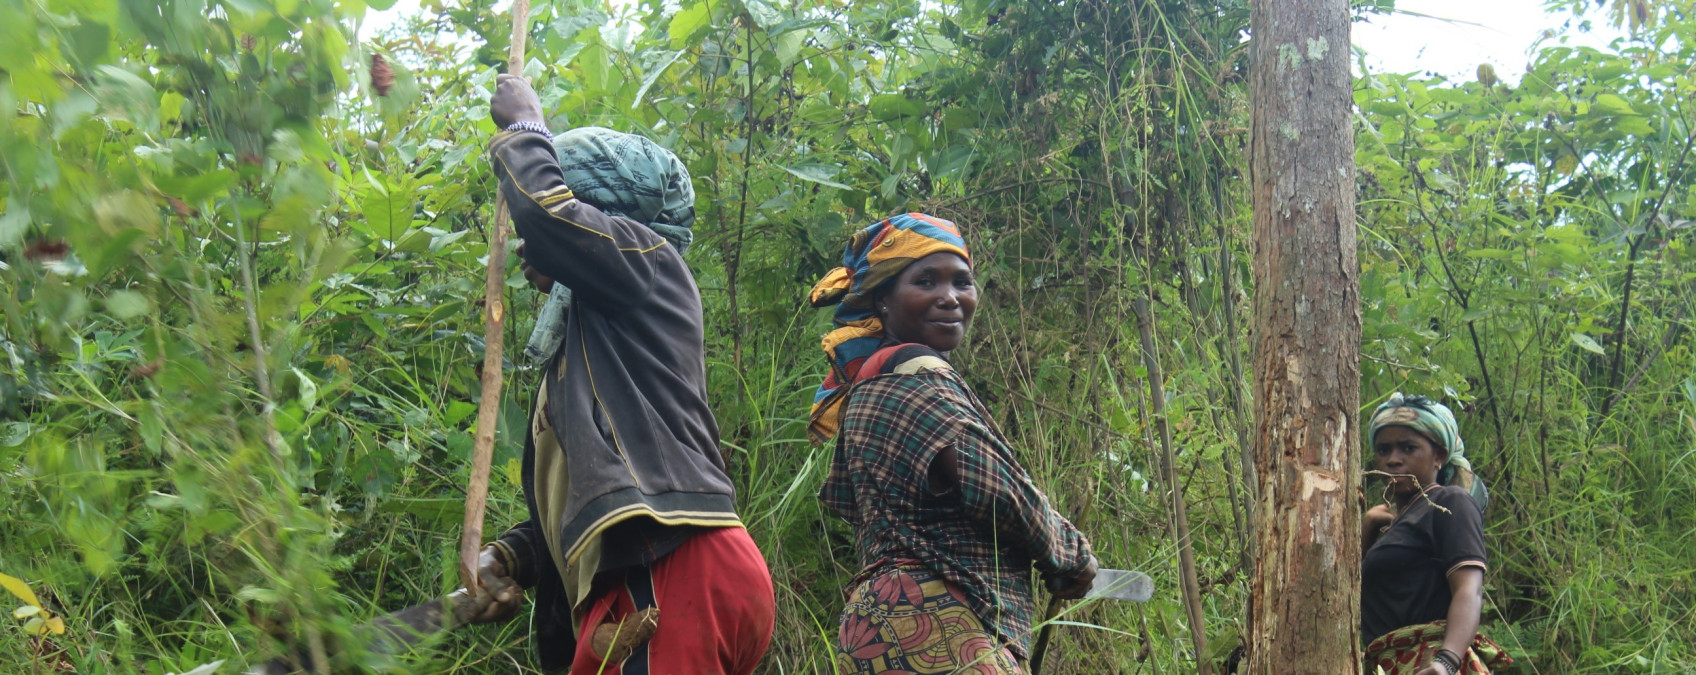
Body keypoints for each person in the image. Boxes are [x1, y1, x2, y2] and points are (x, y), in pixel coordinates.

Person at [469, 74, 776, 675]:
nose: (529, 252)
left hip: (670, 572)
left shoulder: (648, 261)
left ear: (606, 220)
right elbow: (606, 490)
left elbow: (553, 223)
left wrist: (526, 126)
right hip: (666, 575)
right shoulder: (599, 336)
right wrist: (516, 555)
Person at [808, 213, 1097, 674]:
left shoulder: (869, 383)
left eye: (962, 282)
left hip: (876, 629)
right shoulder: (918, 375)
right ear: (883, 298)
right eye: (926, 281)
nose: (950, 297)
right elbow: (993, 483)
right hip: (938, 622)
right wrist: (1068, 555)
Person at [1361, 393, 1512, 675]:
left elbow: (1469, 589)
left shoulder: (1450, 503)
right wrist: (1367, 528)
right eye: (1383, 450)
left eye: (1408, 448)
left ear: (1439, 456)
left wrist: (1446, 662)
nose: (1393, 459)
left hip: (1429, 663)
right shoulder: (1390, 528)